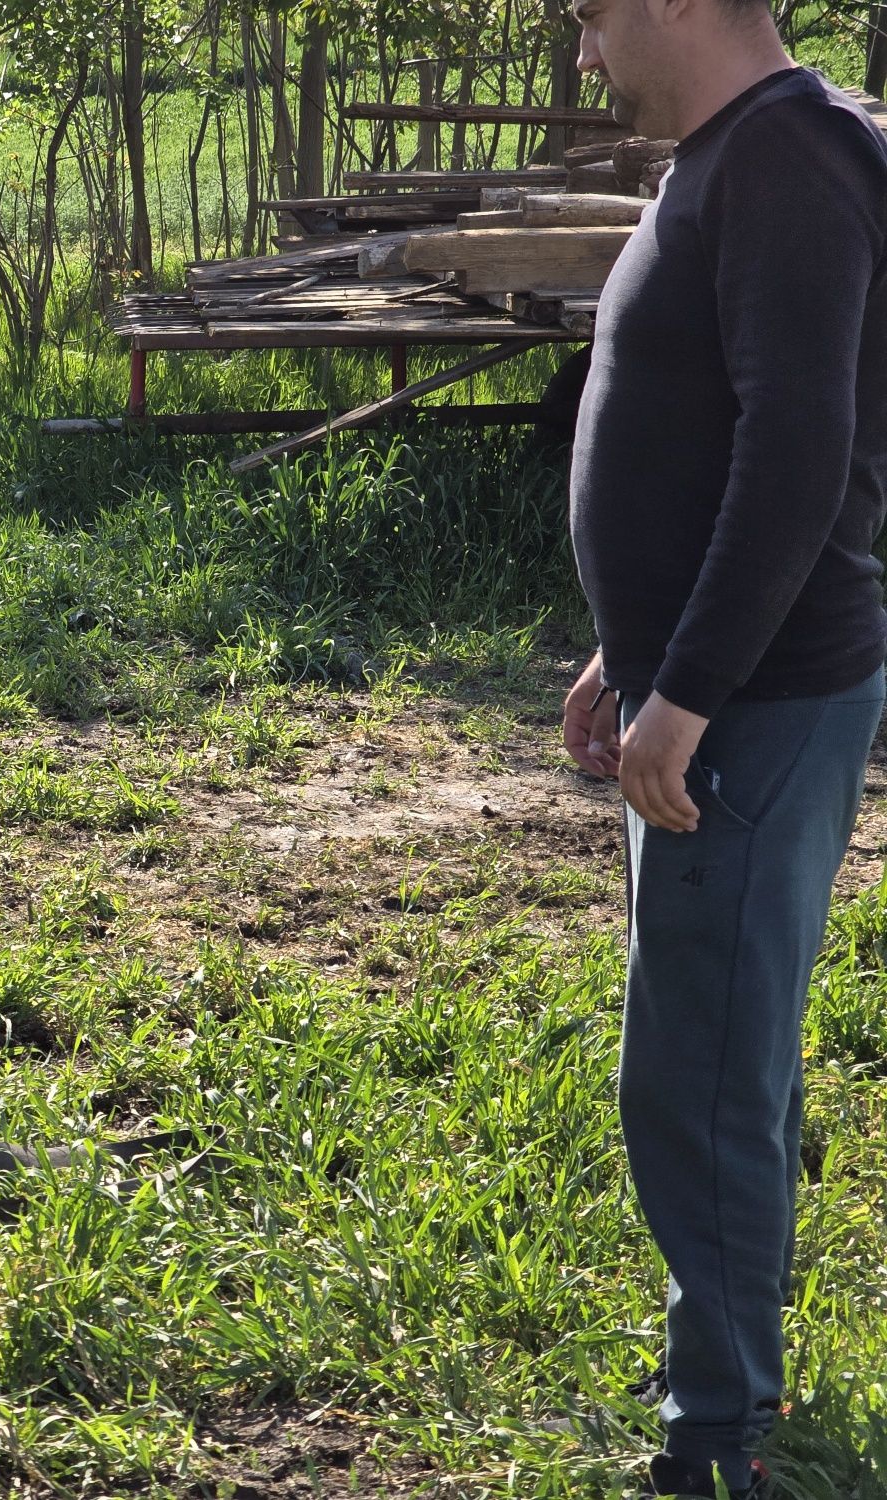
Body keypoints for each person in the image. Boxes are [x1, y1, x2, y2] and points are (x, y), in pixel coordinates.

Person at [559, 0, 887, 1494]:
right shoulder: (729, 158)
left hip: (751, 708)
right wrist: (625, 657)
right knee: (708, 1054)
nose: (583, 52)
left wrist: (684, 694)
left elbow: (799, 458)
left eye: (592, 14)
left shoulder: (790, 167)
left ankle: (720, 1439)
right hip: (707, 688)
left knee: (702, 1072)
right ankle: (727, 1371)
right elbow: (697, 439)